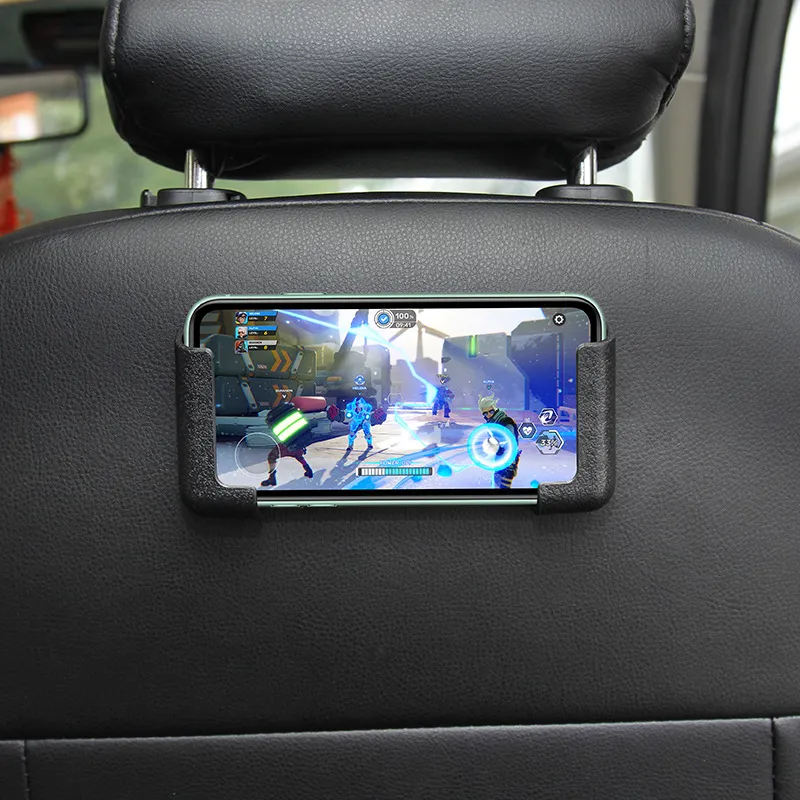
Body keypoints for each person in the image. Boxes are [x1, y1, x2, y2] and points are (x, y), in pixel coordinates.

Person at [478, 395, 520, 489]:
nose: (489, 415)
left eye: (491, 412)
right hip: (500, 457)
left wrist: (502, 448)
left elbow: (510, 440)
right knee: (497, 482)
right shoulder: (493, 423)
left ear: (495, 409)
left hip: (509, 458)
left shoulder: (505, 421)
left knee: (503, 484)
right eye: (485, 413)